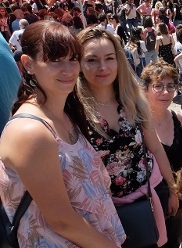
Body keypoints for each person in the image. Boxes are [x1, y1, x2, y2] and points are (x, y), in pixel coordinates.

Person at [0, 20, 125, 246]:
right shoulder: (31, 131)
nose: (68, 70)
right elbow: (62, 221)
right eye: (55, 61)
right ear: (28, 64)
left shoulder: (64, 113)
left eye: (73, 59)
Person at [77, 27, 179, 247]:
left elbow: (156, 148)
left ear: (119, 61)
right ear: (79, 63)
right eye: (92, 60)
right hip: (103, 212)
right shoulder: (73, 111)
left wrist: (173, 189)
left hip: (149, 199)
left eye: (109, 58)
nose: (102, 67)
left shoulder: (132, 100)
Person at [140, 61, 182, 248]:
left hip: (177, 199)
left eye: (170, 86)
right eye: (158, 86)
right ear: (145, 89)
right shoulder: (137, 123)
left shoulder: (177, 118)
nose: (166, 92)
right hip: (149, 203)